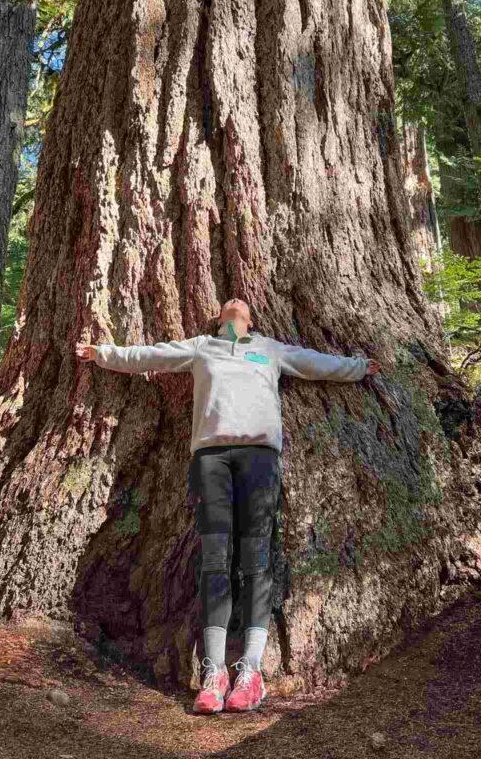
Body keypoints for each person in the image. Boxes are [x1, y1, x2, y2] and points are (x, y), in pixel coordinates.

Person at [76, 298, 381, 716]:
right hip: (212, 460)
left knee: (255, 561)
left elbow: (316, 363)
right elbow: (152, 355)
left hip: (259, 460)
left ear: (251, 320)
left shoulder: (270, 349)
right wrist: (104, 354)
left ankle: (251, 671)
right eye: (228, 303)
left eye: (242, 303)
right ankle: (215, 671)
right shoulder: (202, 347)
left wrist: (359, 368)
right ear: (220, 318)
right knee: (215, 561)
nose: (235, 302)